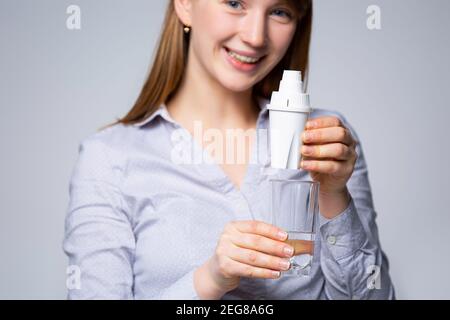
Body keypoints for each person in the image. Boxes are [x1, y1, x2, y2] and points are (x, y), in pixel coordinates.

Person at [63, 0, 395, 299]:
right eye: (235, 3)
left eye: (279, 11)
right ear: (185, 5)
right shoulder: (109, 158)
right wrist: (208, 281)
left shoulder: (327, 141)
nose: (255, 36)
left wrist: (335, 196)